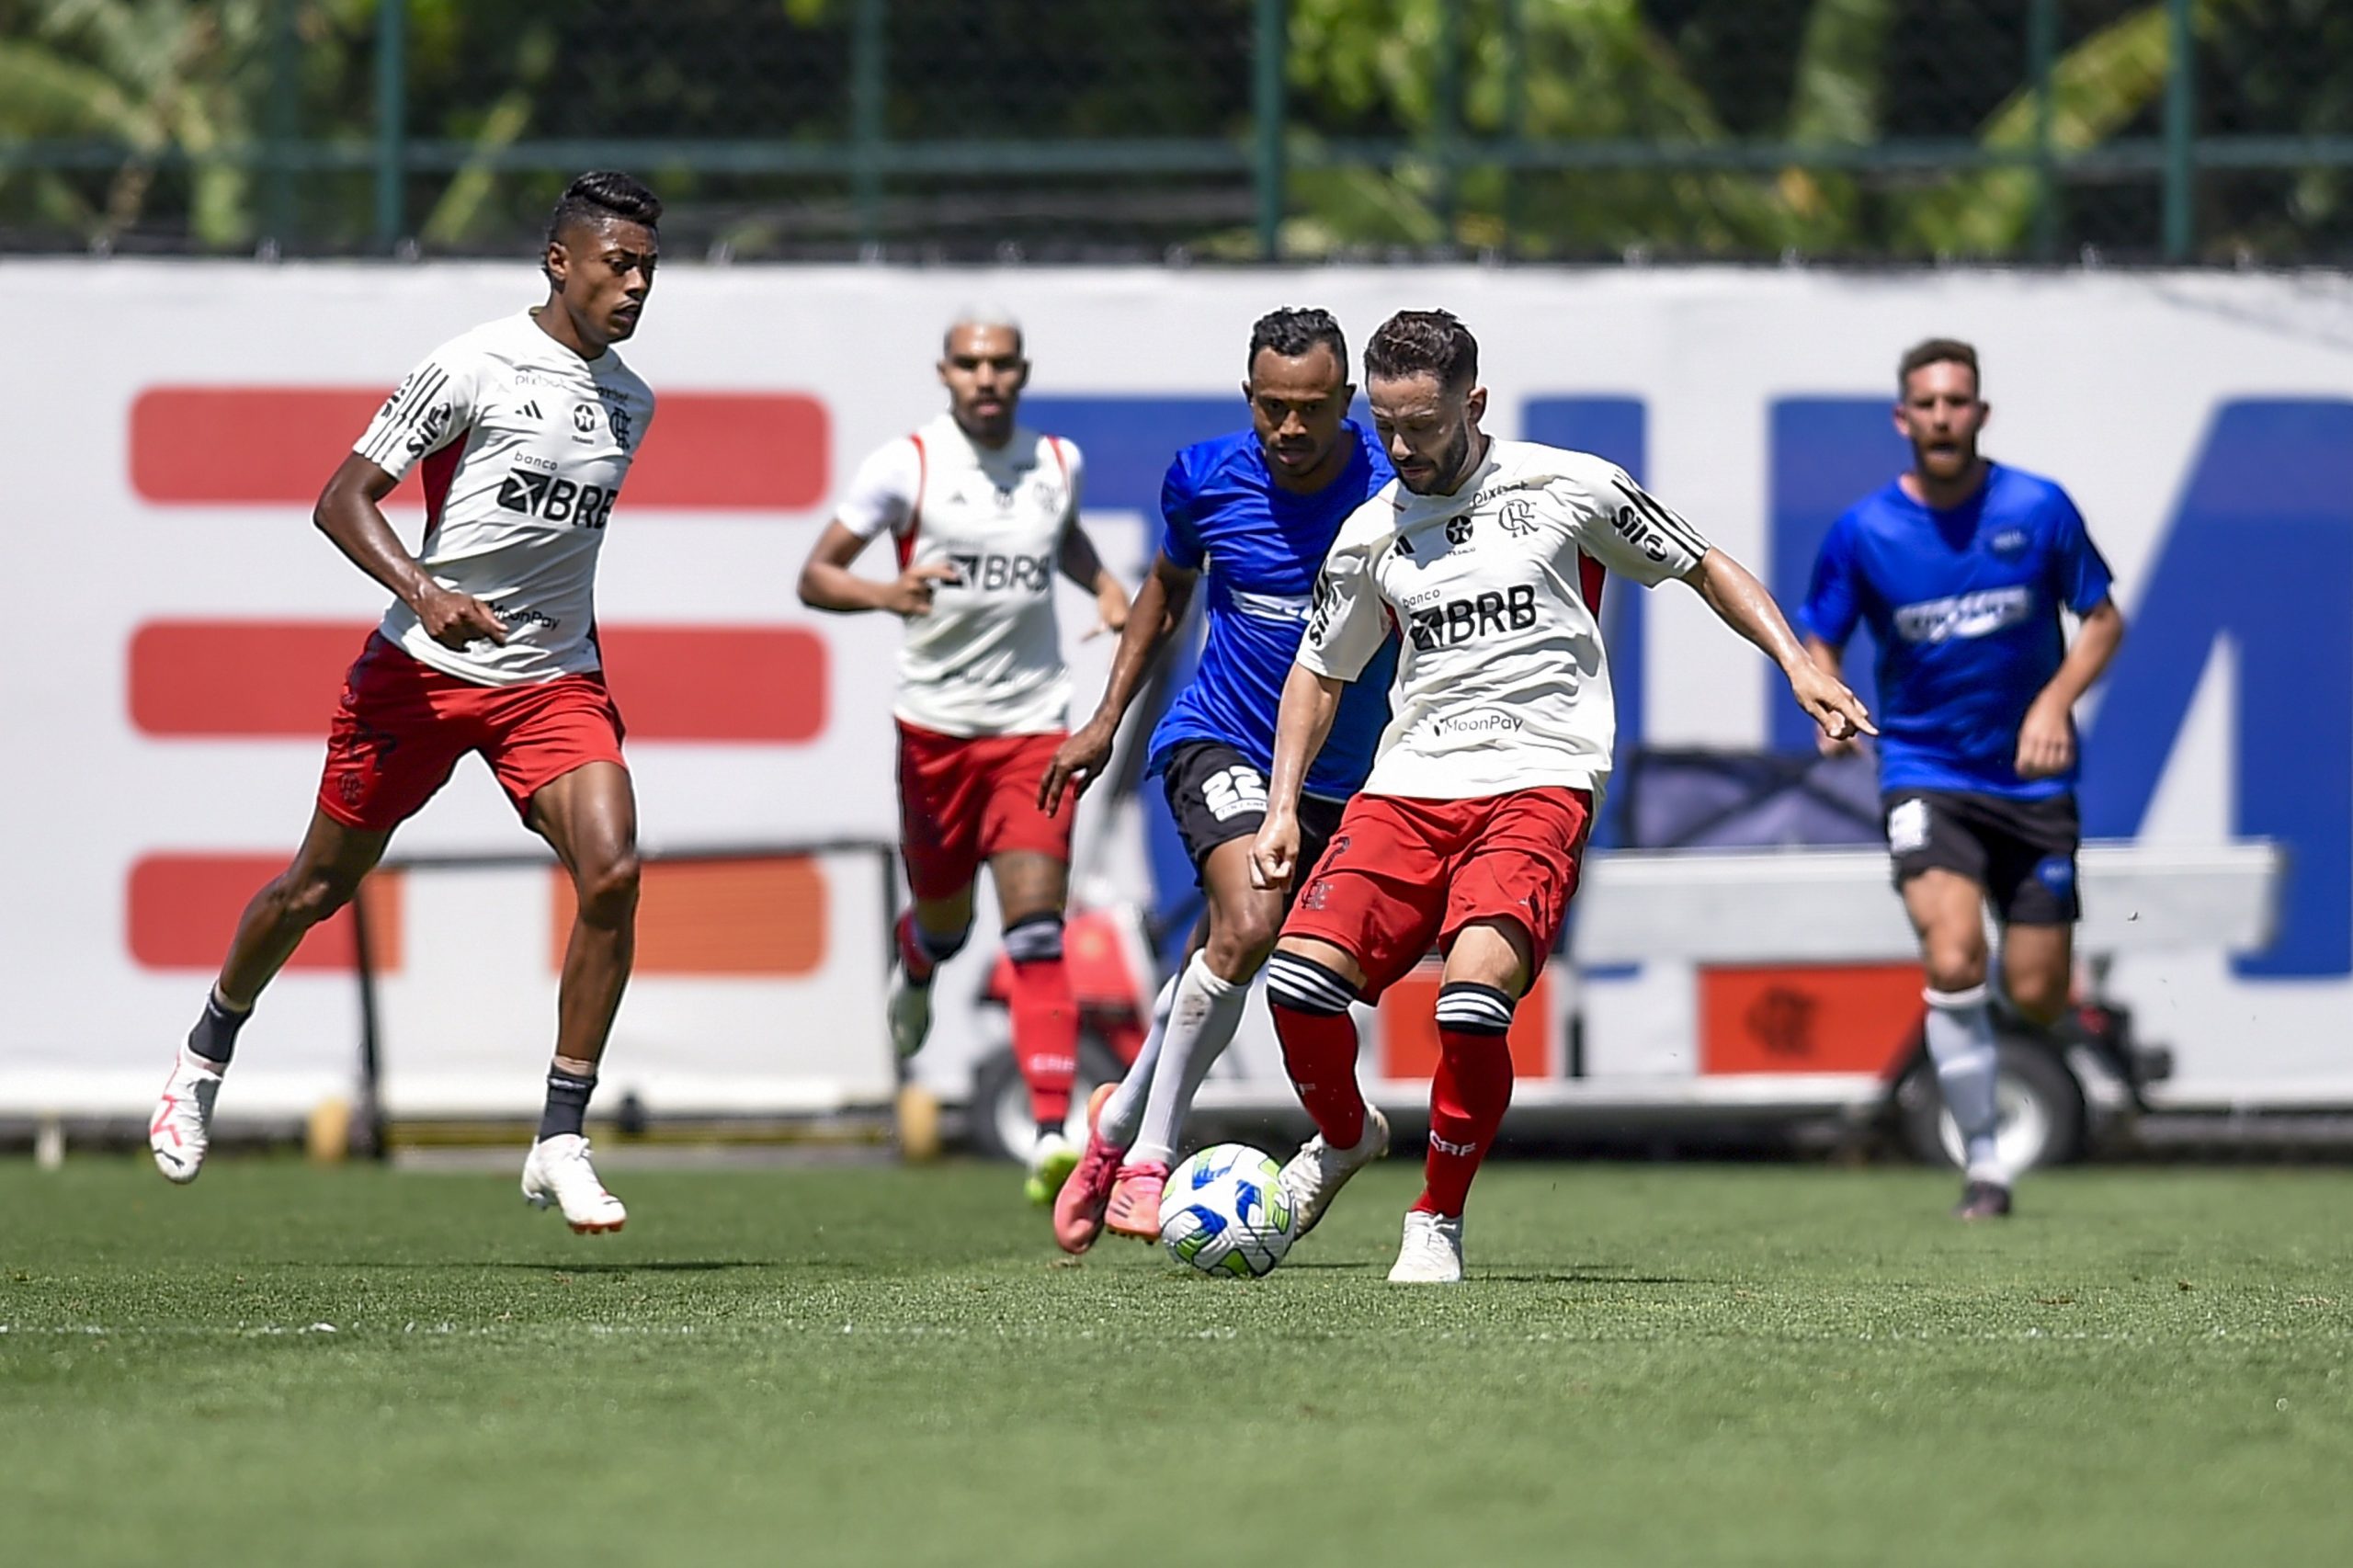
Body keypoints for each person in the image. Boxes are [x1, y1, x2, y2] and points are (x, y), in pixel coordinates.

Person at [1249, 310, 1874, 1283]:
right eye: (1384, 425)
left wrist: (1797, 666)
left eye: (1421, 423)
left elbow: (1702, 562)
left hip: (1537, 781)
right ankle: (1340, 1137)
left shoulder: (1565, 485)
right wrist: (1285, 803)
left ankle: (1435, 1217)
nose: (1401, 446)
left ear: (1475, 402)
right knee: (1294, 982)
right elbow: (1318, 672)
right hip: (1409, 784)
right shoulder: (1369, 532)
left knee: (1470, 1003)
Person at [147, 172, 665, 1233]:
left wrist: (585, 677)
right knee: (316, 886)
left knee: (612, 870)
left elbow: (567, 563)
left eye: (649, 267)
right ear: (559, 260)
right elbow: (340, 499)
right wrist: (426, 592)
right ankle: (204, 1051)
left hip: (549, 680)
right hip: (420, 674)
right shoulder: (471, 364)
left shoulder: (632, 401)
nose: (636, 284)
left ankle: (559, 1135)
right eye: (618, 262)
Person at [1038, 307, 1397, 1254]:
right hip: (1219, 738)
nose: (1290, 429)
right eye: (1273, 407)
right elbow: (1166, 588)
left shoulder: (1394, 490)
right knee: (1250, 923)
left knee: (1220, 961)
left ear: (1346, 401)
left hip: (1341, 774)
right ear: (1249, 398)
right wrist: (1108, 718)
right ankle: (1152, 1157)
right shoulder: (1204, 478)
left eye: (1312, 408)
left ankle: (1110, 1128)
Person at [798, 310, 1129, 1206]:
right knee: (946, 925)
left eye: (1002, 365)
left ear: (1021, 374)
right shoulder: (905, 464)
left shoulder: (1055, 463)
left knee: (1033, 928)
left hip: (1032, 727)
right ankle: (916, 964)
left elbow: (1060, 538)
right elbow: (815, 574)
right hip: (936, 733)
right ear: (945, 372)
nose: (987, 379)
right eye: (971, 364)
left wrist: (1101, 583)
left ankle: (1053, 1131)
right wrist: (882, 590)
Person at [1801, 337, 2124, 1221]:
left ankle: (2056, 1014)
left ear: (1979, 413)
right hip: (1924, 771)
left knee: (2036, 990)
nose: (1943, 418)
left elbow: (2101, 619)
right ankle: (1985, 1163)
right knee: (1952, 958)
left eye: (1958, 402)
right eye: (1927, 404)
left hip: (2029, 784)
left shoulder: (2038, 508)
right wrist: (1827, 694)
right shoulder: (1865, 530)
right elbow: (1821, 631)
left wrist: (2055, 703)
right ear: (1904, 419)